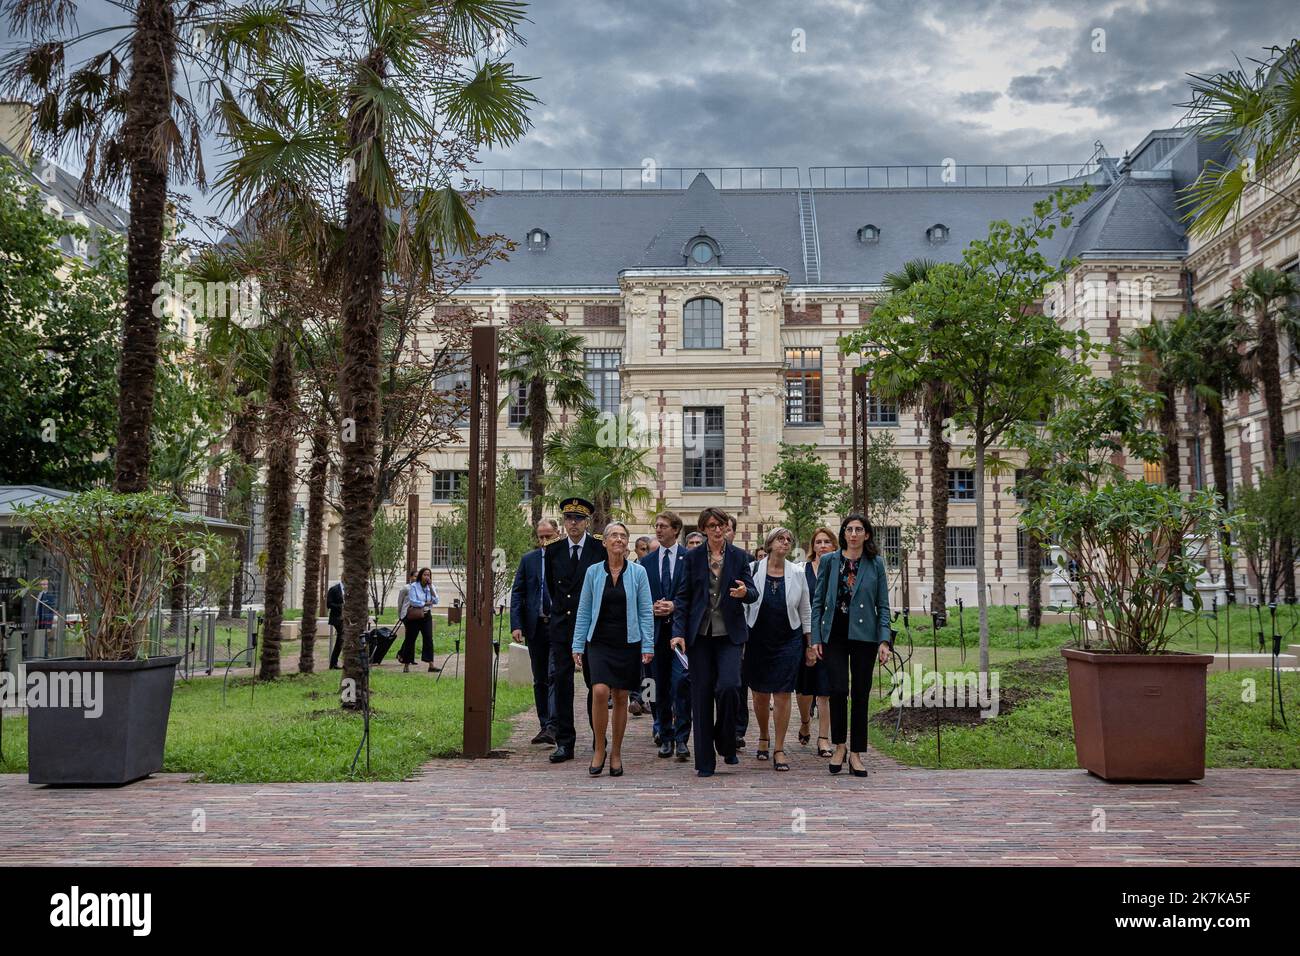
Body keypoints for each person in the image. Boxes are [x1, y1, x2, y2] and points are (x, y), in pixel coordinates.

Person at [671, 507, 758, 777]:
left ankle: (726, 740)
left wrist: (745, 592)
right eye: (711, 526)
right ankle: (705, 762)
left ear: (727, 528)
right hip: (700, 636)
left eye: (721, 525)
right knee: (702, 695)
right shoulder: (692, 558)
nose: (717, 530)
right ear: (704, 529)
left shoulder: (740, 557)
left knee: (730, 687)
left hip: (730, 635)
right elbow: (683, 597)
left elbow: (753, 593)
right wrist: (678, 632)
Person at [810, 514, 893, 778]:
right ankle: (839, 746)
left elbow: (883, 605)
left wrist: (884, 640)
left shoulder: (875, 563)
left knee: (860, 692)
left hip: (865, 636)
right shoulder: (829, 561)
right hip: (833, 634)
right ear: (844, 534)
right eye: (849, 529)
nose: (854, 534)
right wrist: (815, 637)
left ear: (867, 534)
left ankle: (856, 752)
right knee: (836, 689)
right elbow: (818, 601)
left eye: (859, 529)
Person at [572, 522, 655, 776]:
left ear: (626, 543)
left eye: (622, 536)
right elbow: (584, 610)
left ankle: (616, 753)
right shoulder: (593, 573)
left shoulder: (638, 573)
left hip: (628, 642)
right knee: (599, 691)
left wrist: (648, 644)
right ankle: (600, 747)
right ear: (605, 542)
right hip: (598, 641)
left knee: (620, 696)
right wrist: (577, 644)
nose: (618, 539)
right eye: (613, 536)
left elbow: (645, 611)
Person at [544, 497, 607, 763]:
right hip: (562, 627)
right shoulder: (554, 550)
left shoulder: (598, 549)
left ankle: (598, 739)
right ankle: (565, 742)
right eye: (569, 518)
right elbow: (552, 587)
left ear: (587, 522)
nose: (573, 524)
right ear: (563, 521)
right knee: (562, 684)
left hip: (592, 627)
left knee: (595, 683)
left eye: (579, 519)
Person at [743, 527, 811, 772]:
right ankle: (763, 735)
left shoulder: (797, 572)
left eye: (788, 540)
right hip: (757, 639)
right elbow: (744, 606)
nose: (785, 543)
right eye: (780, 539)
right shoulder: (753, 569)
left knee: (783, 693)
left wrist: (809, 642)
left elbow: (805, 610)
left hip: (788, 639)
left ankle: (780, 748)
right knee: (760, 694)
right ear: (769, 543)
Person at [644, 510, 691, 761]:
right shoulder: (647, 562)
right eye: (657, 526)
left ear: (676, 529)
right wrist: (652, 607)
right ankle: (666, 734)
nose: (659, 530)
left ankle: (683, 738)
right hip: (656, 633)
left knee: (682, 683)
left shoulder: (690, 558)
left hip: (681, 634)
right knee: (659, 686)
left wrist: (675, 606)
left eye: (663, 526)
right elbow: (640, 596)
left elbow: (696, 596)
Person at [512, 518, 560, 744]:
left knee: (554, 674)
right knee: (539, 678)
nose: (544, 541)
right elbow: (518, 593)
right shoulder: (528, 560)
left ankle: (554, 724)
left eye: (548, 536)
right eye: (540, 536)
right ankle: (544, 724)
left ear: (557, 534)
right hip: (535, 626)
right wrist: (517, 625)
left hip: (558, 625)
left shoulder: (564, 558)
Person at [798, 527, 837, 756]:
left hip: (831, 637)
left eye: (826, 542)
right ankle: (805, 721)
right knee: (804, 689)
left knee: (825, 689)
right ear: (812, 547)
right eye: (818, 542)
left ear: (833, 545)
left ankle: (823, 738)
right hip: (806, 635)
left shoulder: (839, 569)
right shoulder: (802, 571)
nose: (822, 546)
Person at [725, 512, 752, 748]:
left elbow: (753, 593)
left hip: (737, 631)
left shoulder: (745, 559)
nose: (722, 532)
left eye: (727, 528)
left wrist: (745, 593)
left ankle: (737, 729)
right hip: (709, 633)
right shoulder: (698, 559)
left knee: (737, 683)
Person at [398, 567, 440, 672]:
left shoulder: (431, 587)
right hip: (415, 616)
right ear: (421, 576)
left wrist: (430, 588)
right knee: (410, 639)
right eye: (425, 575)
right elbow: (413, 601)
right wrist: (424, 603)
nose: (427, 577)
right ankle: (406, 664)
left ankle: (431, 664)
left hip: (426, 616)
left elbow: (436, 600)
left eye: (428, 575)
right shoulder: (413, 586)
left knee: (428, 638)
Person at [327, 580, 345, 669]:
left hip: (346, 619)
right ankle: (333, 663)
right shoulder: (334, 589)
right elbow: (329, 604)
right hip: (337, 619)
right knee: (341, 637)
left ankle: (334, 663)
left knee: (341, 640)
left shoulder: (350, 589)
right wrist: (341, 606)